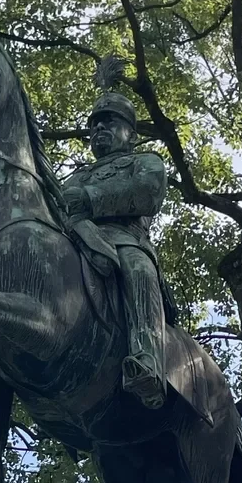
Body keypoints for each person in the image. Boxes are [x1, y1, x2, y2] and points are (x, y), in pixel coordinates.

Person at [62, 91, 169, 409]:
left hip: (123, 241)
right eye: (94, 125)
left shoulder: (145, 162)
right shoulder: (78, 174)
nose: (98, 129)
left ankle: (148, 359)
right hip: (76, 239)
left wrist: (88, 198)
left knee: (138, 269)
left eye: (109, 122)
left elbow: (146, 192)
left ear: (132, 134)